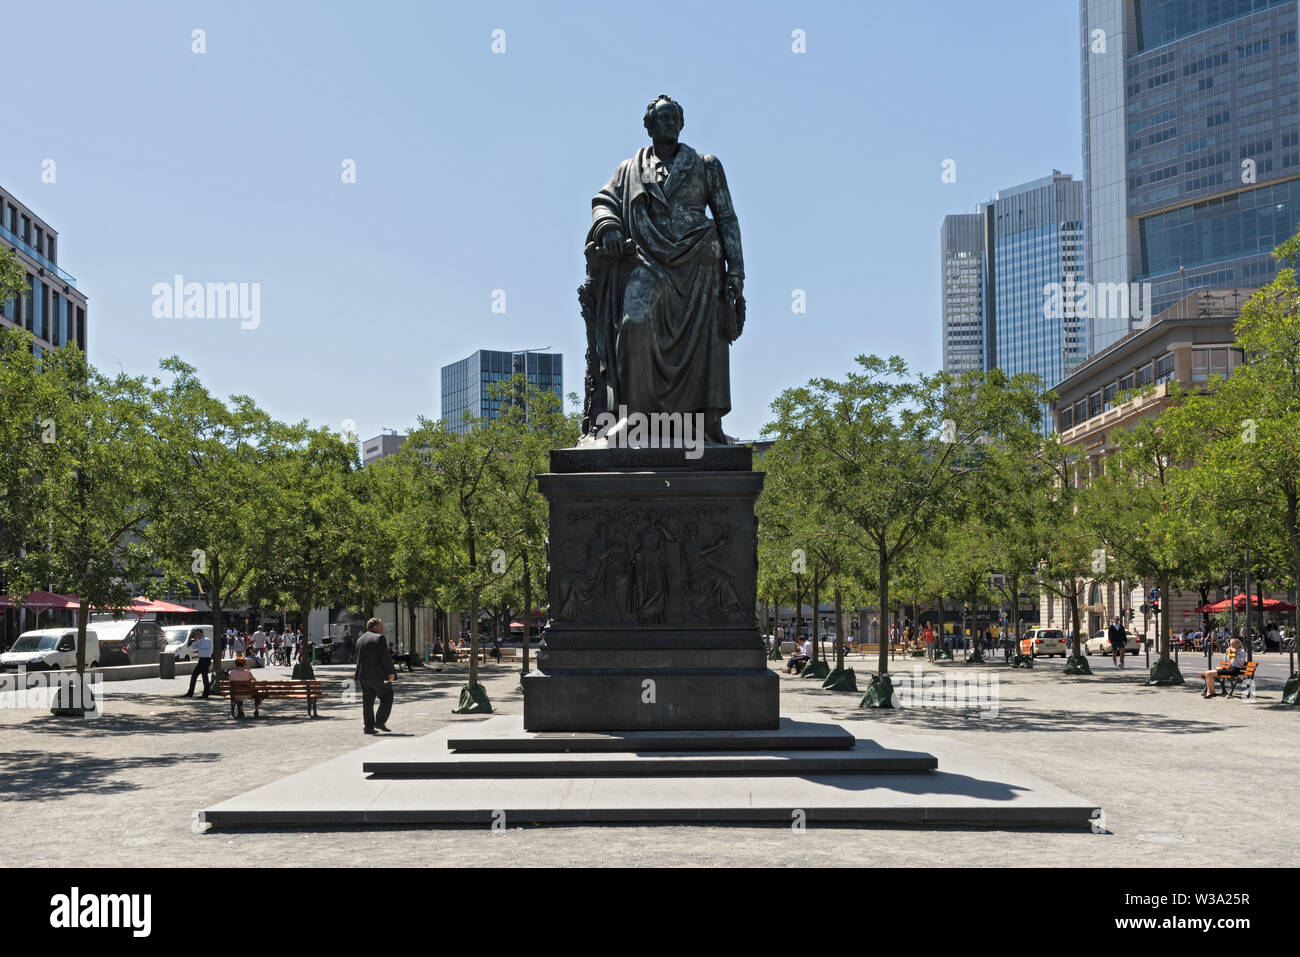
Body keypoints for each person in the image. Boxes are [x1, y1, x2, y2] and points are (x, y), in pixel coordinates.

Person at [354, 618, 396, 734]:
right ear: (375, 626)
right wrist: (391, 672)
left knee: (367, 701)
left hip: (363, 675)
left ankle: (368, 727)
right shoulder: (379, 638)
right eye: (381, 626)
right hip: (377, 675)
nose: (382, 628)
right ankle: (380, 721)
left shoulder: (360, 639)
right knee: (387, 695)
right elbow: (385, 657)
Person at [183, 628, 214, 698]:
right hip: (201, 660)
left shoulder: (207, 640)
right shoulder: (199, 641)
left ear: (202, 634)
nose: (197, 635)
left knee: (204, 676)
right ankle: (190, 693)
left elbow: (209, 650)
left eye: (198, 634)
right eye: (196, 634)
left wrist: (199, 651)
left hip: (206, 660)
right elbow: (193, 646)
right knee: (194, 676)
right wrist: (195, 640)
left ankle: (205, 693)